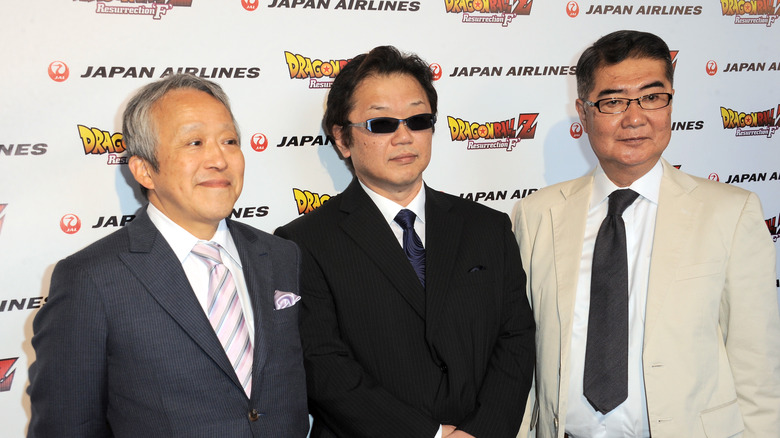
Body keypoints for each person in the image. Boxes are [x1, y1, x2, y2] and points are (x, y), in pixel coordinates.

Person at [513, 30, 780, 438]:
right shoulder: (537, 214)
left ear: (671, 101)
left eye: (653, 97)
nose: (635, 118)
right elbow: (519, 356)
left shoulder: (731, 212)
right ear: (583, 114)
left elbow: (757, 367)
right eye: (614, 101)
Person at [27, 74, 309, 437]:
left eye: (229, 141)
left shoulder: (281, 254)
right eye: (195, 142)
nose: (219, 159)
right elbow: (66, 426)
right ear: (144, 170)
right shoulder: (92, 279)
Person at [275, 45, 535, 438]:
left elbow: (514, 339)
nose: (403, 136)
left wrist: (482, 432)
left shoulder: (488, 228)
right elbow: (324, 366)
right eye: (381, 124)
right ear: (343, 139)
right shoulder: (303, 243)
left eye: (417, 120)